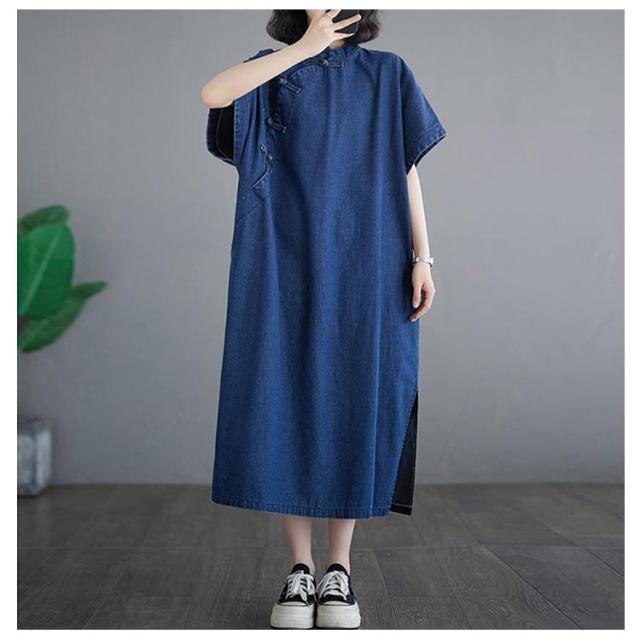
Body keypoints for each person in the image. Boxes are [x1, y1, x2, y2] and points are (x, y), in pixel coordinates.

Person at [201, 9, 446, 630]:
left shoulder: (387, 74)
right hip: (279, 260)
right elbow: (214, 94)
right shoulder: (267, 71)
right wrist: (305, 47)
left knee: (353, 399)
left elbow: (406, 169)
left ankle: (339, 569)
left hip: (370, 259)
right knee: (285, 397)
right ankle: (299, 568)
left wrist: (422, 257)